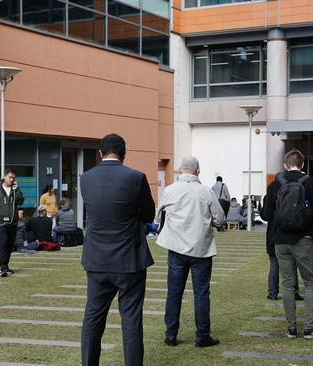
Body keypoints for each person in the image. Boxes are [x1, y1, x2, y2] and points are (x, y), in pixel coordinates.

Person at [80, 133, 155, 366]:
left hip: (96, 259)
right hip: (128, 259)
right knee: (131, 319)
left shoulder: (86, 178)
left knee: (93, 317)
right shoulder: (135, 177)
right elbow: (149, 214)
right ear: (124, 153)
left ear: (100, 152)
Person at [156, 156, 225, 348]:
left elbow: (158, 215)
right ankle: (202, 335)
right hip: (200, 250)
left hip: (176, 248)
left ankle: (171, 334)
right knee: (201, 293)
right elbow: (219, 219)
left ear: (179, 170)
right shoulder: (206, 192)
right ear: (198, 171)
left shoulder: (169, 190)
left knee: (174, 293)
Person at [261, 149, 313, 339]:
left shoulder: (275, 184)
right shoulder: (310, 183)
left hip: (280, 240)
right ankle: (309, 327)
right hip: (303, 238)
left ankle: (291, 328)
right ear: (303, 164)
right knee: (311, 282)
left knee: (288, 284)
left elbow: (266, 215)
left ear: (285, 164)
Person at [0, 168, 24, 277]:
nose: (11, 180)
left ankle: (6, 266)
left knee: (10, 245)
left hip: (13, 221)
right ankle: (2, 268)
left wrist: (16, 191)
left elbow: (21, 201)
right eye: (10, 177)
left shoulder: (15, 189)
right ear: (5, 177)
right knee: (3, 243)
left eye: (13, 178)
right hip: (1, 222)